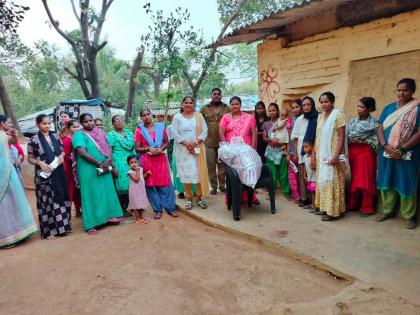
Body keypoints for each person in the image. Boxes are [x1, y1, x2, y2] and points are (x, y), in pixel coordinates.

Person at [376, 78, 420, 229]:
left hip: (408, 154)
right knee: (386, 180)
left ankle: (409, 215)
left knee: (407, 182)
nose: (401, 93)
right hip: (387, 152)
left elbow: (419, 133)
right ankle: (387, 210)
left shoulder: (417, 108)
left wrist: (402, 149)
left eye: (405, 90)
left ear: (412, 91)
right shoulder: (388, 108)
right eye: (399, 90)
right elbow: (380, 127)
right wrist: (384, 145)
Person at [72, 113, 123, 235]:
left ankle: (109, 217)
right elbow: (82, 153)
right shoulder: (79, 134)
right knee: (91, 194)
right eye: (86, 121)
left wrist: (109, 161)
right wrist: (99, 163)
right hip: (88, 169)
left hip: (104, 167)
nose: (89, 123)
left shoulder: (100, 133)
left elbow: (109, 148)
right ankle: (91, 223)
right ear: (81, 123)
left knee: (106, 191)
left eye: (91, 120)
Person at [27, 114, 72, 239]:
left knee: (60, 196)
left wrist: (62, 156)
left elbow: (62, 150)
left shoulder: (55, 136)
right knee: (46, 201)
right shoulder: (33, 140)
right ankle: (49, 231)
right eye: (44, 123)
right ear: (37, 125)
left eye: (48, 123)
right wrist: (39, 162)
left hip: (58, 172)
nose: (47, 126)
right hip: (44, 176)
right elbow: (30, 158)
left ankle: (63, 227)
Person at [135, 109, 179, 219]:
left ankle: (170, 208)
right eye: (143, 115)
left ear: (152, 115)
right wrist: (147, 148)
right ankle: (157, 209)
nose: (146, 117)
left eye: (148, 114)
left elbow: (167, 143)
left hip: (160, 159)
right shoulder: (139, 130)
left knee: (165, 184)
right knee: (151, 185)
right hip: (147, 159)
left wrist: (160, 149)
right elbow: (137, 148)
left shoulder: (160, 127)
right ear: (141, 118)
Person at [0, 128, 38, 248]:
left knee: (14, 202)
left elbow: (11, 141)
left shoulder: (1, 135)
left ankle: (19, 233)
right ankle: (5, 239)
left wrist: (15, 136)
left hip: (7, 173)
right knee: (3, 207)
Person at [171, 96, 209, 210]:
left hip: (197, 149)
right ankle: (188, 198)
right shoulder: (177, 117)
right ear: (182, 104)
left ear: (194, 104)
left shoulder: (199, 116)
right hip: (182, 151)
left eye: (190, 103)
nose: (188, 105)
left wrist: (195, 143)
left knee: (197, 173)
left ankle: (199, 197)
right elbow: (174, 133)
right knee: (185, 174)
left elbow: (205, 131)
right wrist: (187, 143)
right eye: (186, 102)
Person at [220, 96, 259, 204]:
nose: (235, 106)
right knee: (233, 175)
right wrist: (227, 149)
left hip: (246, 151)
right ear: (230, 105)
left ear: (240, 105)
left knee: (248, 173)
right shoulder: (225, 118)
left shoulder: (248, 117)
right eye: (233, 104)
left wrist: (252, 148)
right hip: (232, 153)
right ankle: (232, 198)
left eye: (237, 104)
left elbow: (254, 133)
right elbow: (221, 133)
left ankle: (251, 197)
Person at [314, 92, 346, 221]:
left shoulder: (338, 115)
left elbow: (341, 137)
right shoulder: (320, 116)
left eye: (326, 102)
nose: (323, 104)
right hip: (321, 154)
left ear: (332, 102)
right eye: (321, 102)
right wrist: (313, 154)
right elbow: (318, 136)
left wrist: (336, 155)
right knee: (322, 181)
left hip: (332, 154)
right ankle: (324, 208)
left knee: (332, 182)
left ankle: (333, 211)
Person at [347, 97, 378, 217]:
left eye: (362, 107)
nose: (359, 109)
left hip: (366, 153)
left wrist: (362, 142)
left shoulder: (374, 124)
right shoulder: (352, 122)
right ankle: (353, 204)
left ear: (369, 109)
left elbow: (376, 140)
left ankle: (367, 207)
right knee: (355, 179)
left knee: (366, 179)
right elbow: (347, 136)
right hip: (353, 152)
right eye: (358, 106)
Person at [200, 88, 231, 195]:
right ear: (211, 96)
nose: (216, 95)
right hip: (209, 142)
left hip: (223, 142)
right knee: (210, 165)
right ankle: (213, 187)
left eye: (218, 94)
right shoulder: (204, 109)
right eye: (214, 94)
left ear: (221, 96)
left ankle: (222, 186)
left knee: (222, 166)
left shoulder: (227, 108)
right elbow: (199, 124)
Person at [291, 96, 318, 207]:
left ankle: (315, 200)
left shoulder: (318, 117)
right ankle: (304, 197)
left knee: (314, 176)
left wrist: (315, 152)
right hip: (303, 151)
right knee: (304, 176)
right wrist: (296, 153)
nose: (306, 107)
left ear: (313, 105)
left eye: (308, 104)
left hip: (315, 150)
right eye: (304, 105)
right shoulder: (299, 119)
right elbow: (296, 138)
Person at [107, 115, 135, 212]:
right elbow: (109, 152)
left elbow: (133, 147)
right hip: (118, 162)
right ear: (113, 123)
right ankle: (122, 208)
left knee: (132, 183)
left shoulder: (129, 132)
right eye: (116, 120)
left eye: (121, 120)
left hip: (131, 161)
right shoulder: (110, 135)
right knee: (121, 185)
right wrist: (113, 167)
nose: (119, 122)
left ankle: (133, 205)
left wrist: (136, 162)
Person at [262, 104, 291, 198]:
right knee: (272, 173)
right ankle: (271, 192)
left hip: (281, 150)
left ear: (277, 111)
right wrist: (271, 140)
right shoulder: (266, 124)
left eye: (273, 110)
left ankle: (286, 192)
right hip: (271, 151)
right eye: (269, 110)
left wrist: (285, 147)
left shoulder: (283, 121)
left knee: (283, 173)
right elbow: (264, 138)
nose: (271, 112)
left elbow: (288, 136)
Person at [62, 119, 82, 217]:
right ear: (68, 128)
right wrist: (77, 160)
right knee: (71, 189)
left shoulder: (77, 138)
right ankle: (66, 213)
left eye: (78, 127)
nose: (77, 129)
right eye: (74, 127)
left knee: (78, 189)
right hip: (70, 169)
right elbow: (66, 156)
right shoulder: (67, 140)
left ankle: (78, 209)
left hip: (77, 167)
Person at [126, 155, 151, 224]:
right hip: (134, 191)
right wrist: (137, 171)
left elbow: (141, 178)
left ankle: (141, 217)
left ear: (138, 162)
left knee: (140, 204)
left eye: (135, 162)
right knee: (135, 204)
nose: (134, 164)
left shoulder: (140, 169)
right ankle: (137, 218)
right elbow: (136, 180)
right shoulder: (129, 172)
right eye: (131, 163)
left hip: (140, 190)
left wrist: (147, 174)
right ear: (128, 164)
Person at [0, 115, 24, 184]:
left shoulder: (8, 135)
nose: (11, 125)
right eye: (9, 122)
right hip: (4, 171)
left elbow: (19, 150)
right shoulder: (4, 137)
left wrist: (19, 158)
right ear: (2, 123)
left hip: (14, 168)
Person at [287, 100, 302, 202]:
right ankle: (296, 195)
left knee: (302, 174)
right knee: (292, 173)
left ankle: (305, 196)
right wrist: (288, 153)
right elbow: (289, 138)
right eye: (293, 108)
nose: (295, 109)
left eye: (297, 107)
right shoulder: (290, 121)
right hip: (292, 151)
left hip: (304, 150)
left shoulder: (306, 119)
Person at [302, 140, 316, 211]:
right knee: (311, 191)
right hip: (309, 178)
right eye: (303, 147)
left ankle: (315, 205)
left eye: (306, 147)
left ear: (312, 147)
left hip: (314, 178)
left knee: (314, 191)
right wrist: (305, 176)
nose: (304, 149)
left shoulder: (314, 157)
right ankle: (312, 204)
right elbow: (304, 167)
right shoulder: (305, 156)